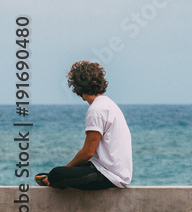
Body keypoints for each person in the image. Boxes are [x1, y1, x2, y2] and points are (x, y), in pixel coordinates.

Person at [34, 61, 132, 190]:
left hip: (108, 175)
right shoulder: (108, 104)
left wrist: (66, 168)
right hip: (113, 171)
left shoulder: (96, 110)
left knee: (57, 174)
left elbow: (88, 152)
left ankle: (50, 179)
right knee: (56, 173)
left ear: (77, 87)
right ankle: (49, 178)